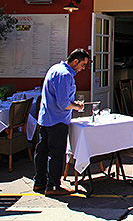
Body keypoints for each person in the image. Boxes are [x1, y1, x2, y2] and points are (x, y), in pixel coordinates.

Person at [33, 48, 88, 196]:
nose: (83, 68)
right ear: (75, 61)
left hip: (45, 118)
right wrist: (77, 106)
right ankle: (53, 186)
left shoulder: (55, 68)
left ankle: (39, 182)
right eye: (83, 64)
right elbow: (63, 104)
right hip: (57, 120)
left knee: (42, 151)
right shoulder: (65, 75)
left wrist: (72, 102)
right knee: (56, 153)